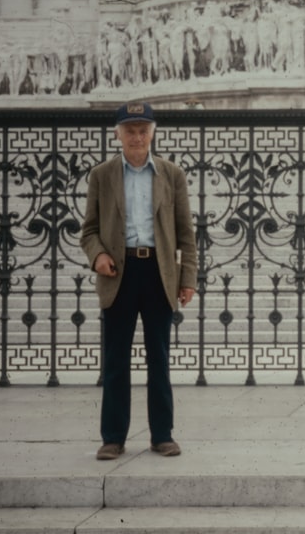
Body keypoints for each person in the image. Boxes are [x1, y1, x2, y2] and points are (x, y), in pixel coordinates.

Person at [81, 102, 197, 461]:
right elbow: (89, 231)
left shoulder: (171, 174)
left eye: (143, 130)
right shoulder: (102, 175)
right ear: (118, 134)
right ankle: (113, 437)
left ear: (153, 133)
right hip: (119, 272)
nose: (136, 137)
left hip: (159, 273)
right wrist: (98, 255)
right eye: (129, 130)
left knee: (158, 358)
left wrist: (188, 277)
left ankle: (162, 434)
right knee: (115, 360)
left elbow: (185, 233)